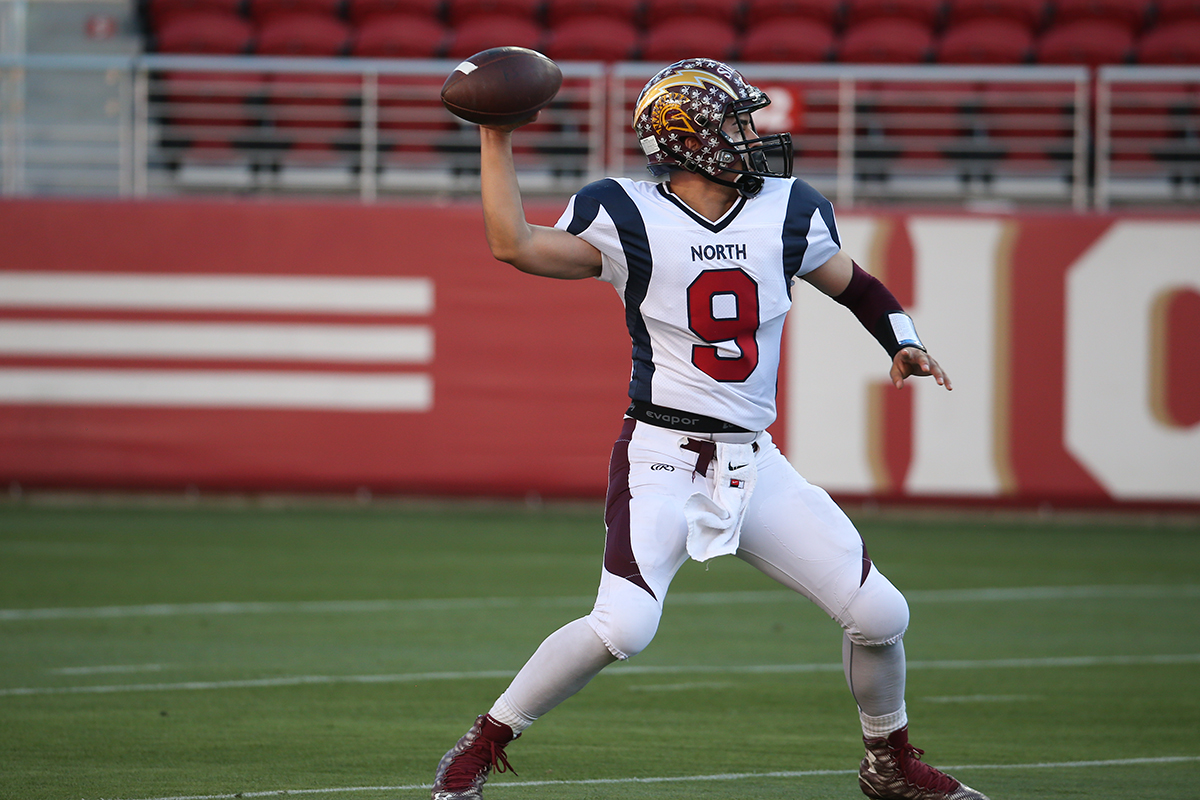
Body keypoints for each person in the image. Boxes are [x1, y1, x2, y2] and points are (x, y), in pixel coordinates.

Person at [431, 57, 989, 800]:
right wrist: (495, 137)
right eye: (735, 122)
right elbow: (517, 245)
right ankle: (482, 744)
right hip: (661, 453)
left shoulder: (789, 209)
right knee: (625, 627)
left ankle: (890, 764)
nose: (753, 136)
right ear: (688, 138)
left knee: (881, 613)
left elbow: (856, 285)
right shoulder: (625, 210)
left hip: (753, 463)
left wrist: (902, 340)